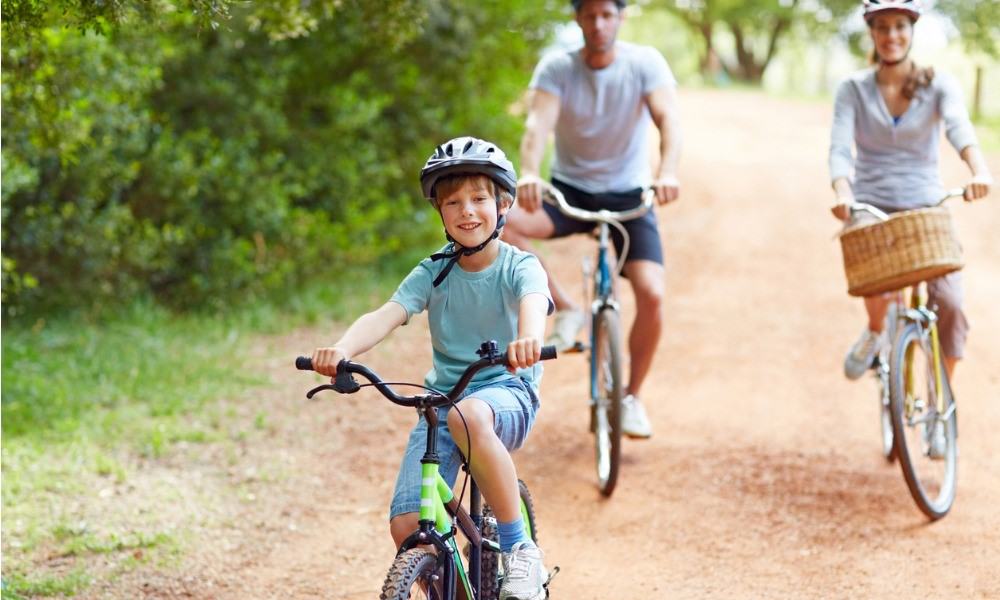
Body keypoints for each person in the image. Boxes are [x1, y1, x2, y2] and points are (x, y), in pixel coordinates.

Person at [311, 137, 553, 599]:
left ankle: (519, 549)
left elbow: (533, 304)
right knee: (407, 524)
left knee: (471, 416)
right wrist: (341, 348)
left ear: (502, 204)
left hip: (507, 393)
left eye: (479, 199)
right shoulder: (434, 271)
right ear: (440, 212)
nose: (467, 211)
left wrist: (528, 342)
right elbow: (388, 313)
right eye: (453, 202)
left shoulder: (520, 267)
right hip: (444, 403)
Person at [503, 0, 682, 439]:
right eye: (590, 15)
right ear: (578, 18)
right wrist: (528, 172)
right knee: (502, 225)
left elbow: (668, 122)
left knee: (652, 295)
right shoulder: (557, 68)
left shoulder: (645, 64)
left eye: (607, 15)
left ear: (621, 16)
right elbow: (537, 126)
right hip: (568, 191)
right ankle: (567, 309)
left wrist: (668, 172)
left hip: (630, 196)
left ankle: (632, 398)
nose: (599, 24)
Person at [829, 0, 992, 392]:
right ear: (871, 32)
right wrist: (842, 191)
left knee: (950, 303)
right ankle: (874, 330)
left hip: (926, 204)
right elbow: (839, 148)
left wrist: (979, 171)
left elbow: (958, 129)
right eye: (882, 27)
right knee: (869, 262)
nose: (891, 35)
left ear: (911, 31)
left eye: (899, 26)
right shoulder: (853, 89)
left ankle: (942, 396)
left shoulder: (938, 85)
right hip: (871, 199)